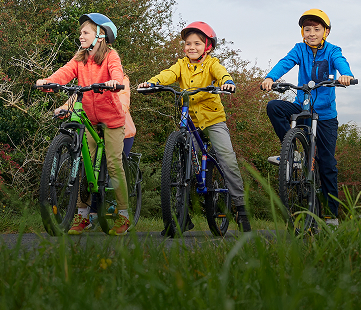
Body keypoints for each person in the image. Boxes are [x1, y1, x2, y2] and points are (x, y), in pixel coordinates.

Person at [138, 21, 251, 232]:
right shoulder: (181, 65)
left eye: (197, 43)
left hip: (212, 120)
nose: (191, 47)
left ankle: (240, 207)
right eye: (188, 43)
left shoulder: (212, 64)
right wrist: (152, 83)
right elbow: (168, 75)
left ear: (207, 46)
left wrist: (227, 82)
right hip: (189, 119)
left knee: (227, 159)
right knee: (184, 165)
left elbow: (222, 73)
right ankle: (181, 216)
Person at [36, 13, 130, 236]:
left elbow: (116, 71)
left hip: (111, 118)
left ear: (100, 35)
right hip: (88, 117)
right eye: (80, 33)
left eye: (85, 32)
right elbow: (65, 72)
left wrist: (114, 82)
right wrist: (49, 81)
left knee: (114, 163)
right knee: (81, 164)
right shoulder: (80, 58)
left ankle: (124, 215)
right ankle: (83, 215)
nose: (81, 36)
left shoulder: (111, 56)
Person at [260, 9, 354, 227]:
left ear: (326, 32)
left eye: (317, 29)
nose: (311, 33)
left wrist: (345, 75)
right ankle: (292, 153)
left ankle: (331, 214)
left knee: (327, 162)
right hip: (303, 107)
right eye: (307, 29)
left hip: (325, 116)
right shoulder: (299, 49)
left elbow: (341, 62)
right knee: (274, 106)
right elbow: (286, 62)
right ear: (302, 32)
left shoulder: (332, 51)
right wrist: (270, 77)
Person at [119, 73, 137, 157]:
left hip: (124, 134)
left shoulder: (122, 79)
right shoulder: (90, 76)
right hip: (97, 129)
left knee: (115, 165)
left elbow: (123, 100)